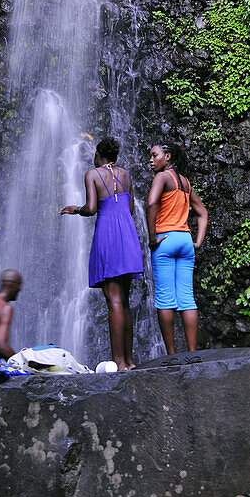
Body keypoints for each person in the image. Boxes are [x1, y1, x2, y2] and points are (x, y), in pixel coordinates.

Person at [60, 137, 143, 371]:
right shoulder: (125, 174)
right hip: (127, 233)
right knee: (124, 301)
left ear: (98, 154)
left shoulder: (93, 174)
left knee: (113, 300)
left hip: (107, 233)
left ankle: (118, 363)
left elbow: (92, 208)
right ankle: (129, 361)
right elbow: (129, 208)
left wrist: (75, 209)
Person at [146, 142, 208, 355]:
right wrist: (198, 241)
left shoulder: (162, 177)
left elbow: (151, 203)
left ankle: (172, 356)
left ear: (168, 157)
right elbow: (203, 213)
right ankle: (192, 353)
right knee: (187, 298)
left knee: (165, 299)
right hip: (185, 240)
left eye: (155, 156)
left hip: (165, 239)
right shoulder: (186, 183)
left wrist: (152, 237)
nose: (151, 160)